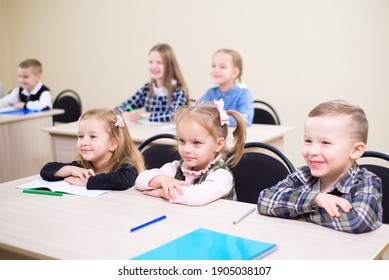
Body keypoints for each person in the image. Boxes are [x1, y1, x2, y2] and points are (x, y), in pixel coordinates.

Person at [257, 100, 383, 233]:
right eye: (308, 141)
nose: (312, 151)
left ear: (355, 151)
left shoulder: (367, 182)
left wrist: (297, 212)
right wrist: (315, 199)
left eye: (325, 143)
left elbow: (357, 220)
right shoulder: (304, 176)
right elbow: (265, 200)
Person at [134, 99, 246, 205]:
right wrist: (161, 180)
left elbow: (198, 196)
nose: (186, 150)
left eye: (196, 143)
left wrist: (162, 192)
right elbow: (140, 180)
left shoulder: (222, 175)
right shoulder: (178, 167)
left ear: (218, 145)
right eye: (182, 141)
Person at [40, 109, 145, 190]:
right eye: (81, 136)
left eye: (93, 137)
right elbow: (46, 170)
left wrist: (88, 181)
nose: (84, 142)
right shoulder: (84, 165)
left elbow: (124, 180)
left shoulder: (126, 167)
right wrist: (71, 170)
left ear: (113, 144)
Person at [115, 43, 189, 122]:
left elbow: (175, 115)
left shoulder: (178, 90)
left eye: (159, 62)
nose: (153, 66)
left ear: (169, 66)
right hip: (149, 132)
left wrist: (143, 116)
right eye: (151, 62)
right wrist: (123, 115)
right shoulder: (147, 89)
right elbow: (122, 107)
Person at [199, 49, 254, 126]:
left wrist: (215, 119)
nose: (216, 70)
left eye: (222, 67)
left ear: (234, 72)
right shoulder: (210, 93)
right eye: (213, 66)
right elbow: (196, 111)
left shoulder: (244, 94)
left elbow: (245, 119)